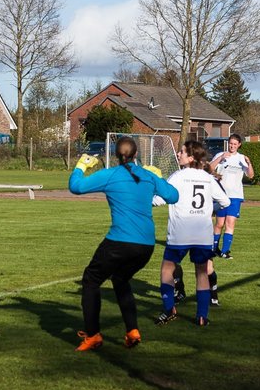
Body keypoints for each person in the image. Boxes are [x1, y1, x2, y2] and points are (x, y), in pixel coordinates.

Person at [69, 135, 179, 351]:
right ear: (136, 154)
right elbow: (173, 196)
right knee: (120, 279)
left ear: (115, 155)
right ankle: (132, 330)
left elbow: (76, 187)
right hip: (146, 245)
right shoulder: (147, 175)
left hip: (120, 241)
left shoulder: (111, 175)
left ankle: (92, 335)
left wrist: (81, 165)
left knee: (91, 281)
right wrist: (158, 178)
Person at [156, 140, 229, 327]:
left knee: (167, 269)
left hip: (180, 233)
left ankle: (169, 308)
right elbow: (226, 202)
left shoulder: (178, 176)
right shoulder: (207, 178)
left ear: (191, 157)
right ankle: (202, 316)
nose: (178, 154)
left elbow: (158, 200)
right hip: (202, 234)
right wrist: (209, 208)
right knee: (202, 273)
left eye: (182, 152)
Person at [210, 133, 253, 259]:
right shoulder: (220, 155)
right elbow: (210, 168)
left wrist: (249, 163)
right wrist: (220, 158)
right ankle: (214, 248)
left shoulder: (241, 158)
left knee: (230, 223)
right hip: (221, 195)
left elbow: (250, 175)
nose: (232, 146)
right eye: (230, 143)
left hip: (235, 196)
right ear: (228, 143)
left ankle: (225, 251)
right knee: (219, 223)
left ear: (239, 145)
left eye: (235, 144)